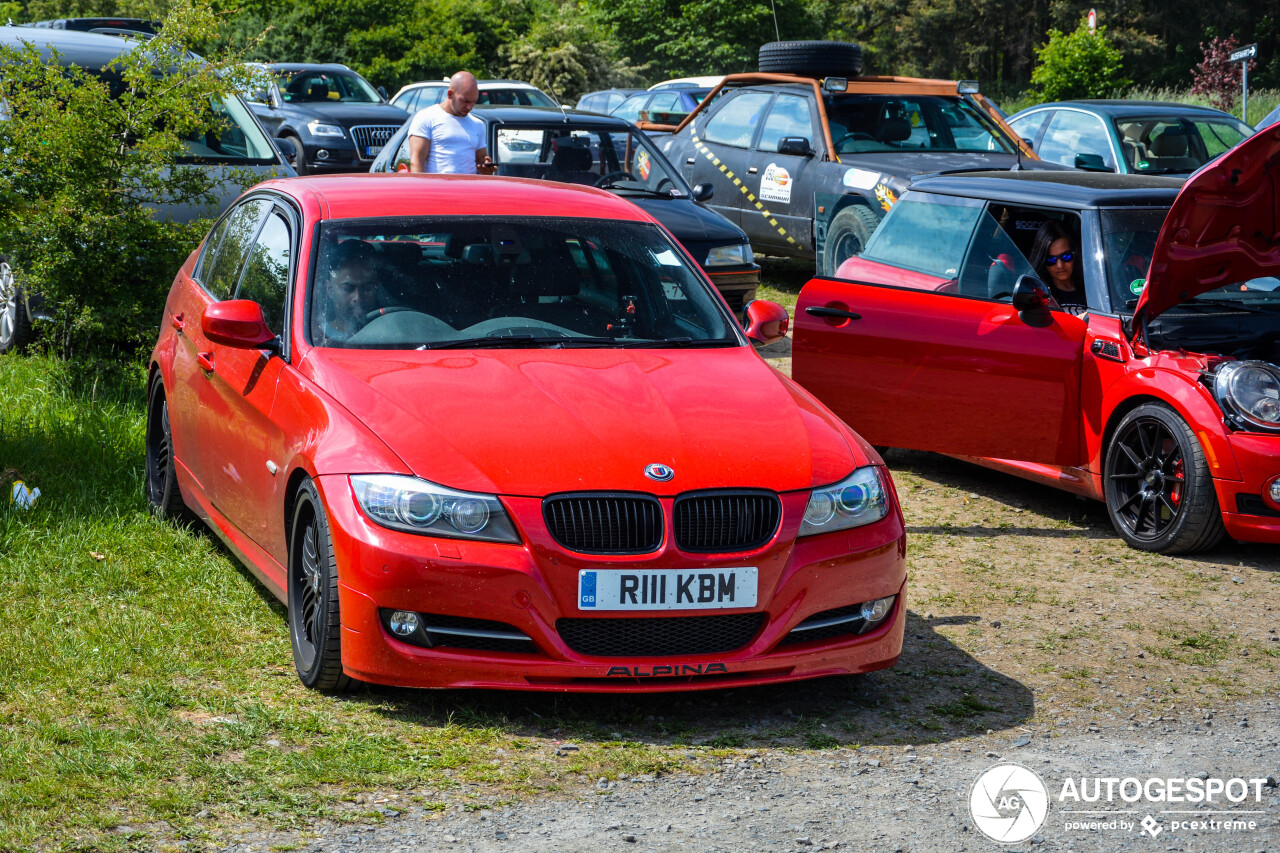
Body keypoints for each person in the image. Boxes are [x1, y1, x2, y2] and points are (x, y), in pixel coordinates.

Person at [407, 71, 493, 174]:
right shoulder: (427, 117)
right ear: (450, 94)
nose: (470, 107)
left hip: (469, 189)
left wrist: (487, 168)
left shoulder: (477, 124)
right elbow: (417, 162)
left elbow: (482, 164)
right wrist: (421, 189)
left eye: (473, 101)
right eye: (465, 101)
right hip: (438, 188)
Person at [316, 239, 380, 343]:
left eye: (367, 288)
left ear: (376, 287)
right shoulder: (316, 338)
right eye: (348, 288)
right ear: (330, 289)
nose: (358, 298)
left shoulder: (396, 334)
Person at [1029, 219, 1086, 309]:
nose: (1060, 265)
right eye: (1051, 260)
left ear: (1076, 254)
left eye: (1066, 256)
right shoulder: (1037, 295)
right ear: (1042, 261)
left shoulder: (1092, 287)